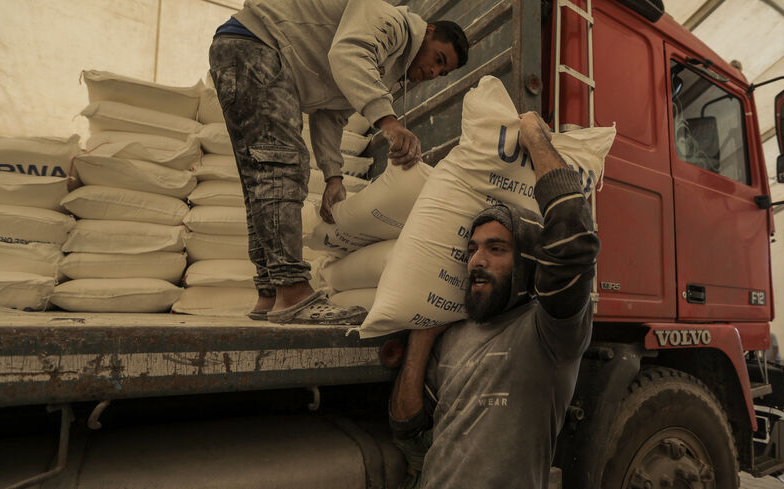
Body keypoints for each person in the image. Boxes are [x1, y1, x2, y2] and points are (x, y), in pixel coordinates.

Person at [208, 0, 469, 324]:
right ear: (427, 32)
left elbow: (330, 115)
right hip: (258, 47)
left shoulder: (383, 69)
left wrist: (334, 178)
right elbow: (348, 56)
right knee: (282, 171)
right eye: (438, 59)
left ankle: (270, 292)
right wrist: (388, 121)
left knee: (262, 178)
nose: (433, 72)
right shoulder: (394, 24)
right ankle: (292, 290)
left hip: (241, 50)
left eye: (442, 72)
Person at [389, 112, 601, 488]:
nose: (476, 260)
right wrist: (422, 335)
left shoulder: (550, 335)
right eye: (471, 249)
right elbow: (410, 434)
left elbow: (573, 236)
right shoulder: (453, 336)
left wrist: (535, 137)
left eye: (496, 248)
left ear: (528, 261)